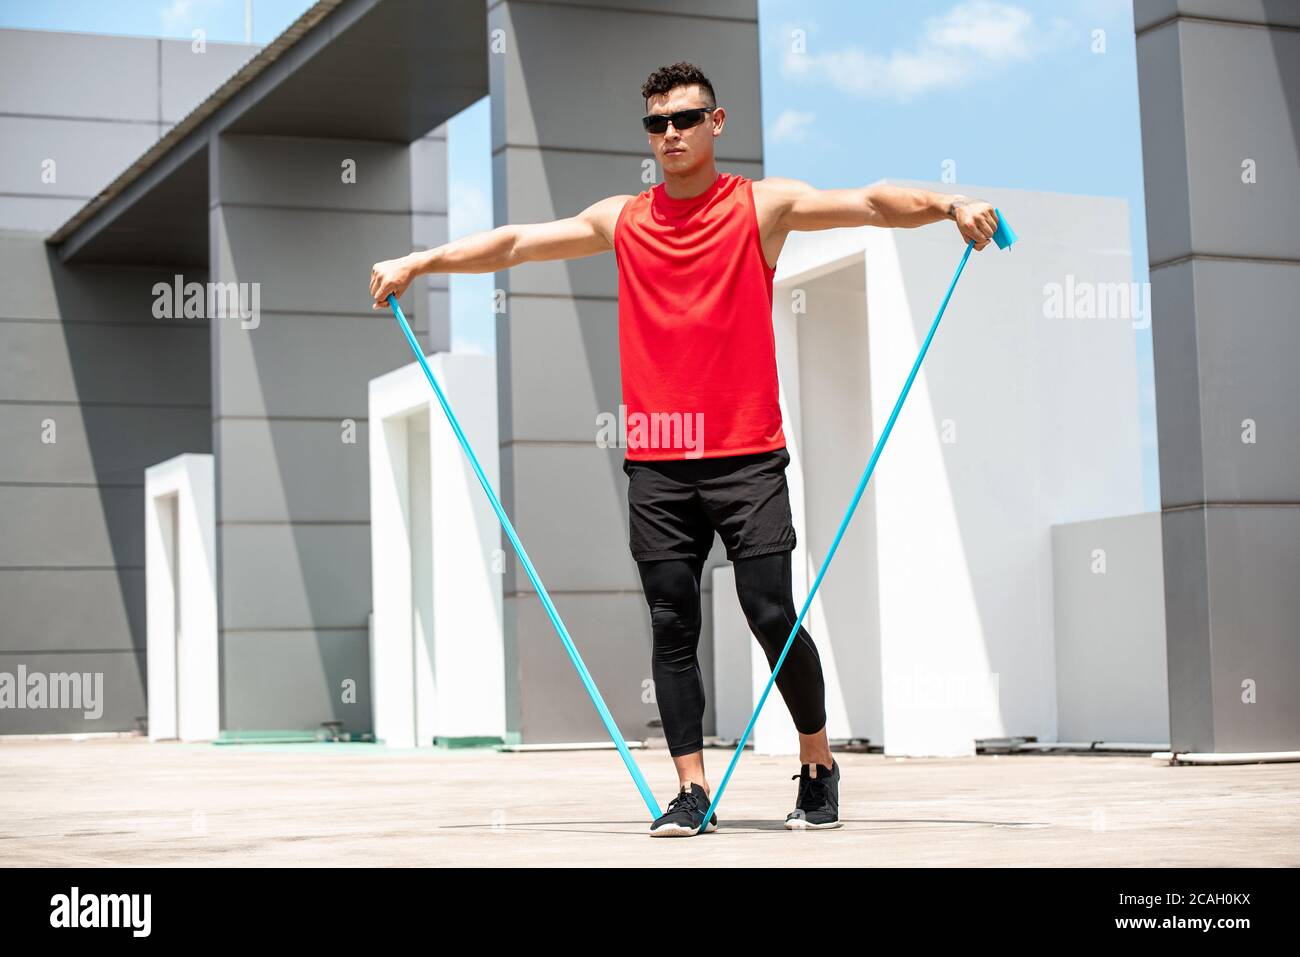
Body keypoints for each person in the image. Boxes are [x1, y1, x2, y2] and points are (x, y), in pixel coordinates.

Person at [370, 61, 1000, 837]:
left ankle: (817, 762)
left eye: (685, 119)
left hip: (746, 454)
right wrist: (418, 262)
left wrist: (950, 203)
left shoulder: (761, 208)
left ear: (716, 122)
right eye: (657, 123)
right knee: (672, 624)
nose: (670, 134)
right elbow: (518, 244)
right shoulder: (623, 219)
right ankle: (691, 788)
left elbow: (870, 201)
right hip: (659, 459)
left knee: (769, 611)